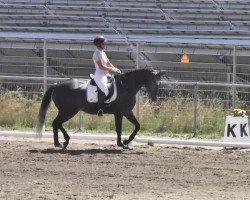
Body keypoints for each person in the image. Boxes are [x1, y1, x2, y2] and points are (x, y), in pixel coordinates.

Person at [92, 35, 121, 116]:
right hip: (100, 75)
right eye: (103, 43)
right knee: (105, 90)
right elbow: (101, 67)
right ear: (99, 44)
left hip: (106, 74)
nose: (105, 44)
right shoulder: (96, 54)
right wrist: (112, 69)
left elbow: (108, 63)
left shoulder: (103, 53)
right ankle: (99, 109)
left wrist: (115, 68)